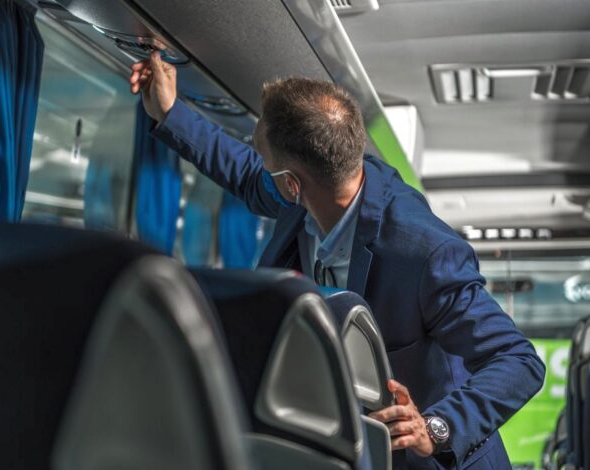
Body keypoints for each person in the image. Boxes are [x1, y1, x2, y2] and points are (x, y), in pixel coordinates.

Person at [130, 51, 545, 470]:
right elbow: (247, 176)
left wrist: (436, 427)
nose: (262, 169)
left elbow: (518, 360)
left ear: (291, 184)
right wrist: (168, 111)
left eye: (267, 161)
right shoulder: (318, 183)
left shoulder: (425, 252)